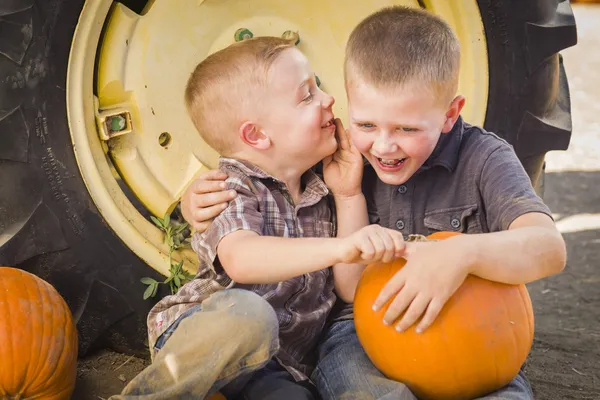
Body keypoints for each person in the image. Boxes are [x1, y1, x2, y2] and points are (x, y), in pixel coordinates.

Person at [181, 6, 567, 400]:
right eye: (366, 124)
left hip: (475, 329)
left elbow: (549, 248)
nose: (383, 146)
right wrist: (191, 201)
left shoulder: (484, 158)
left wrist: (460, 254)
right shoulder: (341, 160)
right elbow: (266, 179)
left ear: (450, 113)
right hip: (361, 334)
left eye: (407, 128)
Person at [112, 36, 406, 400]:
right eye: (307, 95)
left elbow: (349, 287)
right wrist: (342, 247)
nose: (328, 99)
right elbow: (241, 259)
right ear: (257, 135)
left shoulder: (322, 185)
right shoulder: (230, 186)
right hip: (209, 337)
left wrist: (348, 195)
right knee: (250, 315)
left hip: (279, 363)